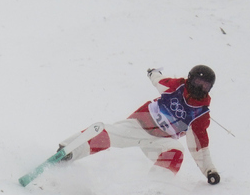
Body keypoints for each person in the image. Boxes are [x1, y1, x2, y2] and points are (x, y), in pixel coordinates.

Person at [58, 65, 220, 184]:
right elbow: (158, 80)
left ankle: (154, 187)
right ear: (190, 78)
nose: (199, 88)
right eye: (198, 82)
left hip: (158, 141)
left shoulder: (200, 114)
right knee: (108, 133)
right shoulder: (175, 87)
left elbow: (200, 148)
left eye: (204, 86)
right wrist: (153, 72)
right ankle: (69, 151)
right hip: (138, 125)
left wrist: (209, 171)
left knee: (176, 150)